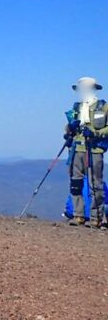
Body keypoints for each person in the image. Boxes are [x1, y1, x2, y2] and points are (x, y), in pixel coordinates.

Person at [64, 76, 107, 227]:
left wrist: (95, 134)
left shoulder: (103, 107)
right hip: (78, 148)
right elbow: (68, 127)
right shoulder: (77, 108)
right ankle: (78, 215)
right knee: (75, 182)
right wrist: (70, 130)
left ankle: (96, 217)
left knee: (95, 184)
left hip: (95, 150)